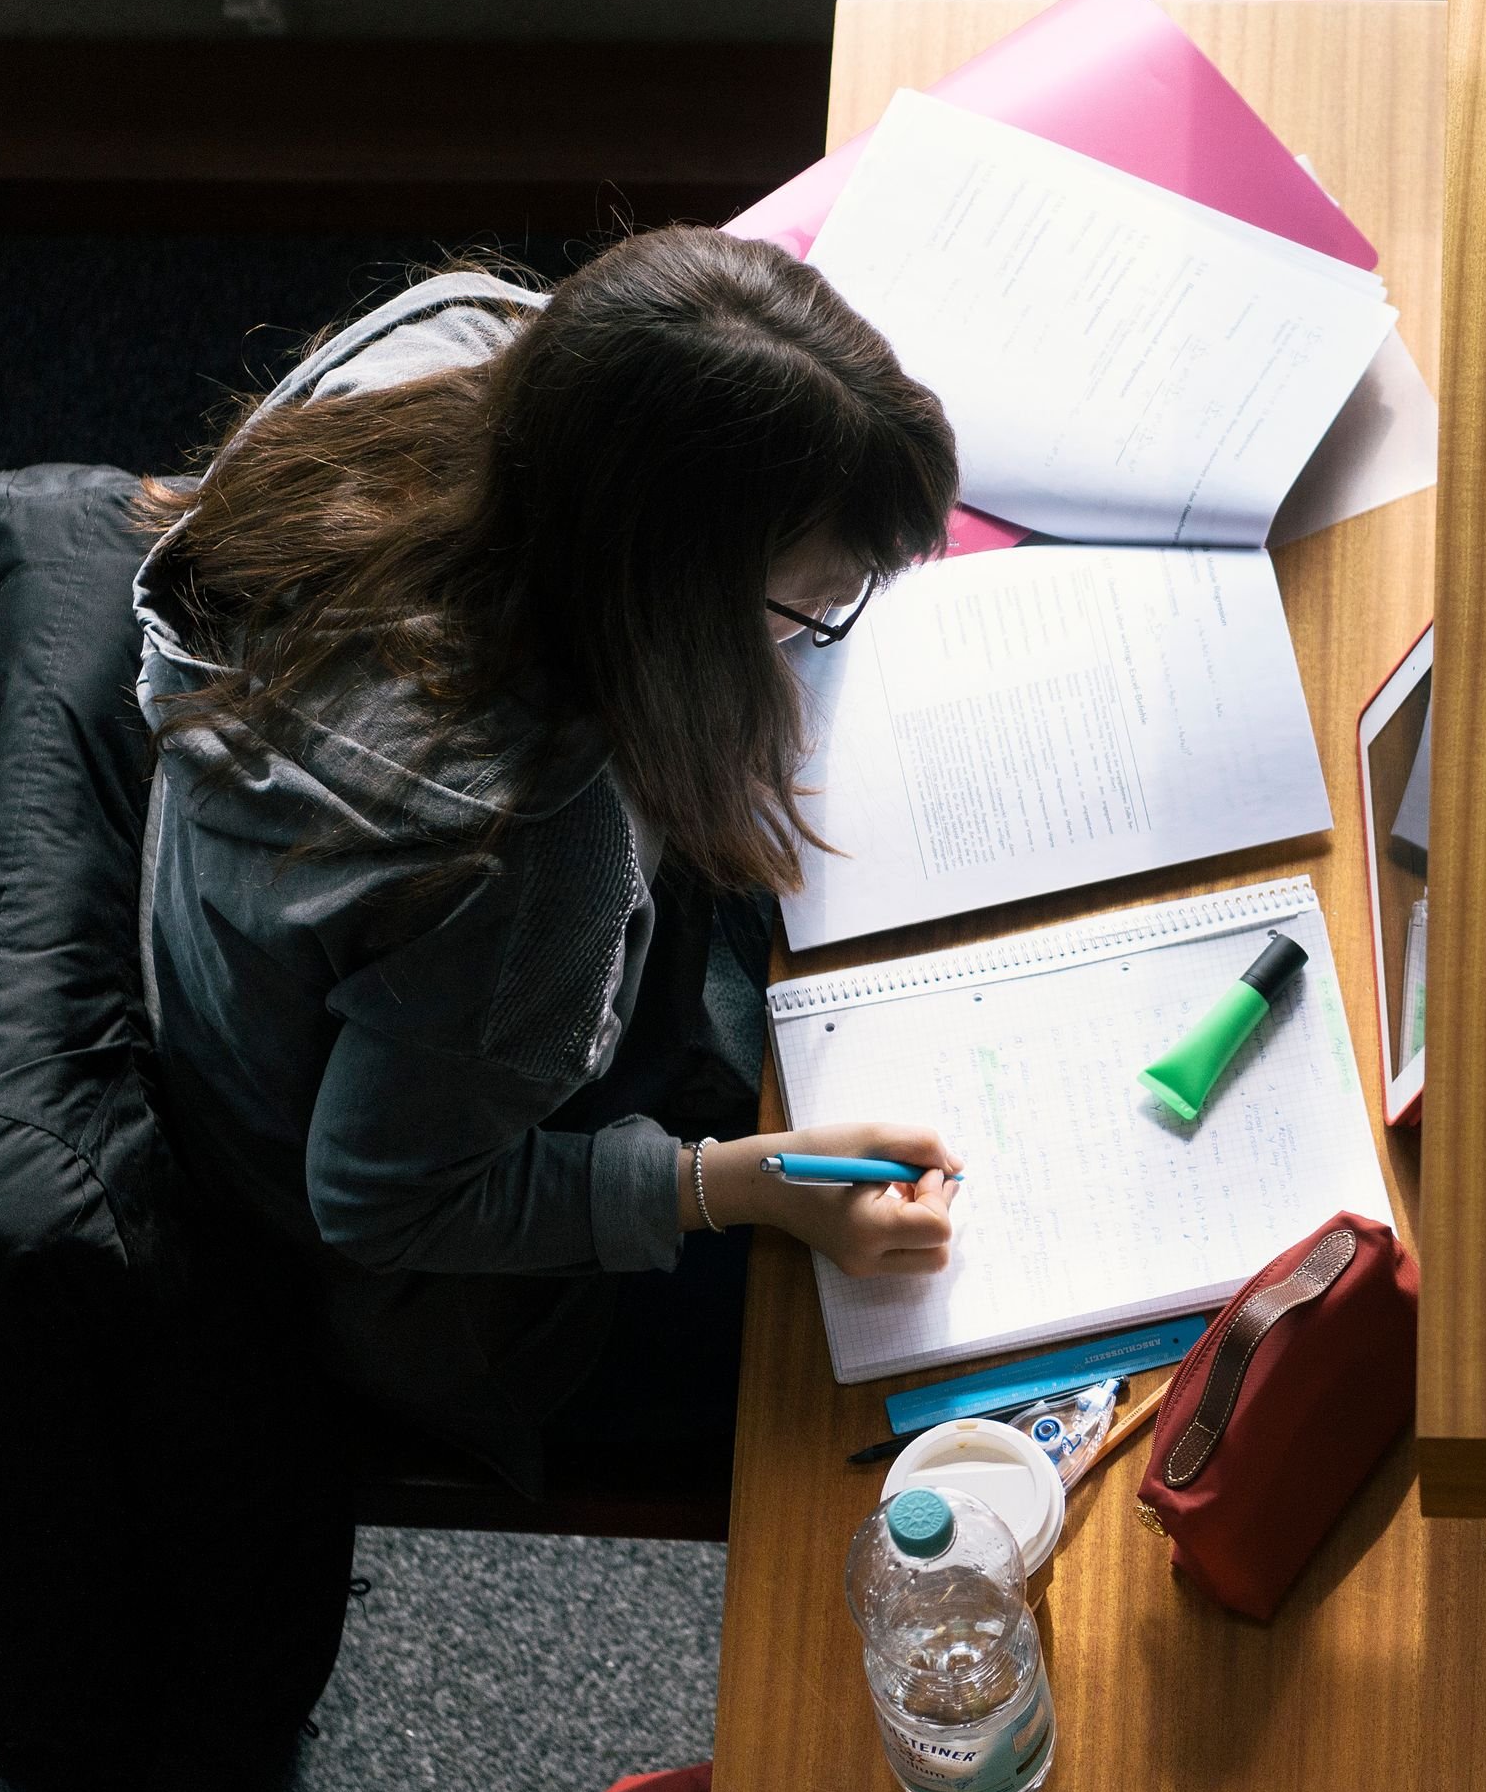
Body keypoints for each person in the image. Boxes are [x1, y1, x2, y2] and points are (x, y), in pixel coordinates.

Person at [131, 232, 968, 1497]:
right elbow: (384, 1208)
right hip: (381, 1250)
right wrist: (747, 1186)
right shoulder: (529, 856)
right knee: (894, 1370)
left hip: (267, 982)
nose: (821, 636)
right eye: (814, 606)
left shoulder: (466, 334)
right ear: (677, 616)